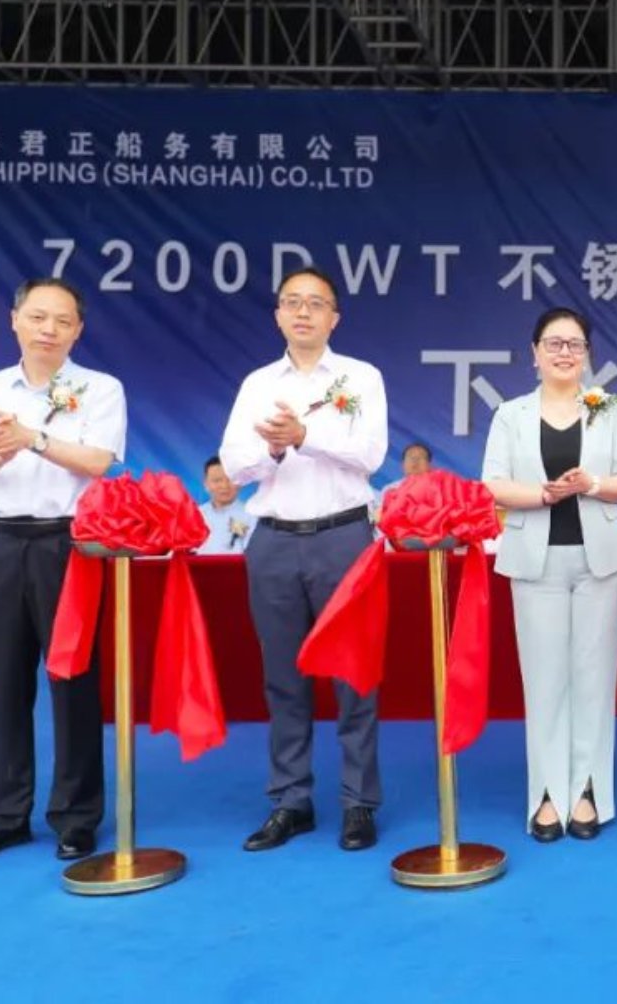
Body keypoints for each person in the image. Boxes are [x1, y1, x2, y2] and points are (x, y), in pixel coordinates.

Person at [0, 276, 125, 863]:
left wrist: (33, 438)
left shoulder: (100, 388)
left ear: (78, 330)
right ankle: (5, 816)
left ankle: (76, 816)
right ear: (15, 320)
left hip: (69, 547)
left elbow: (97, 461)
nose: (49, 329)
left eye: (63, 320)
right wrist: (6, 446)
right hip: (1, 544)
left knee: (73, 682)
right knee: (4, 682)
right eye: (38, 317)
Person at [219, 266, 389, 852]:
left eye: (316, 304)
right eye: (292, 302)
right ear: (277, 316)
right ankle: (290, 800)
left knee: (353, 675)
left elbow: (370, 455)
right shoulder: (257, 384)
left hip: (344, 536)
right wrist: (272, 449)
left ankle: (358, 801)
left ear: (334, 318)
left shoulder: (361, 377)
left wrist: (304, 437)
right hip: (273, 540)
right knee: (283, 677)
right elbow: (234, 465)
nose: (303, 312)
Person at [482, 308, 617, 842]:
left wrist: (590, 483)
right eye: (554, 343)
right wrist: (543, 495)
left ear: (587, 354)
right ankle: (548, 794)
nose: (565, 353)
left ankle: (588, 790)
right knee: (545, 680)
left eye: (575, 344)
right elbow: (494, 484)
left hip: (602, 559)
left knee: (594, 678)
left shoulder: (610, 408)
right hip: (536, 560)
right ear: (535, 352)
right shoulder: (511, 414)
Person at [196, 454, 255, 555]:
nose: (224, 486)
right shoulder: (195, 515)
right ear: (206, 484)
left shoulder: (252, 516)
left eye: (230, 480)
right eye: (217, 481)